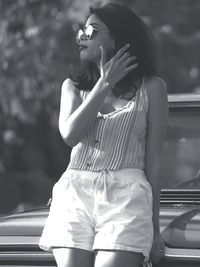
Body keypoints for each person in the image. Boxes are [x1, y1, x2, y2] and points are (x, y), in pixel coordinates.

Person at [39, 3, 168, 267]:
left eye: (93, 30)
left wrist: (154, 225)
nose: (83, 36)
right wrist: (103, 83)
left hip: (128, 196)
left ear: (118, 38)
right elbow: (70, 135)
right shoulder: (72, 88)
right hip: (75, 193)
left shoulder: (152, 88)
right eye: (83, 29)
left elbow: (154, 160)